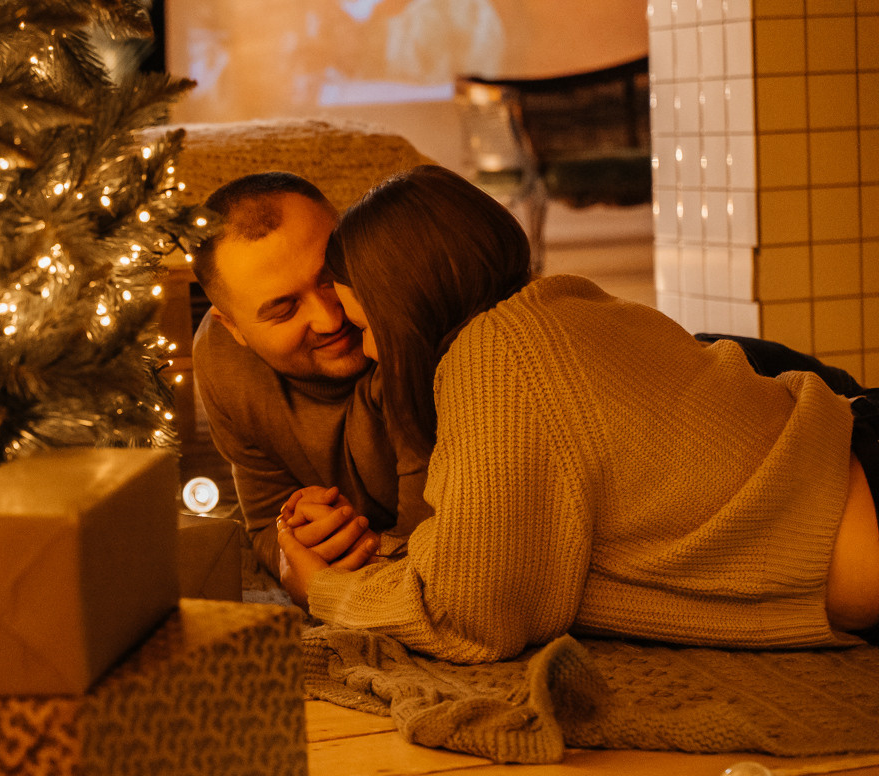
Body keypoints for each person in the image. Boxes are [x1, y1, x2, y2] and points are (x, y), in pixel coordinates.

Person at [277, 163, 879, 662]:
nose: (373, 352)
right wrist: (376, 557)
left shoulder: (497, 355)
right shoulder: (558, 308)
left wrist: (324, 590)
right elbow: (502, 562)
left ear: (409, 307)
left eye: (365, 325)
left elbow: (470, 618)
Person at [191, 172, 433, 581]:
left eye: (330, 276)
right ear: (234, 328)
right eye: (283, 309)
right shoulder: (222, 359)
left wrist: (330, 579)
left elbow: (438, 548)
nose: (329, 318)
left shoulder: (411, 317)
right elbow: (266, 525)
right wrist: (295, 547)